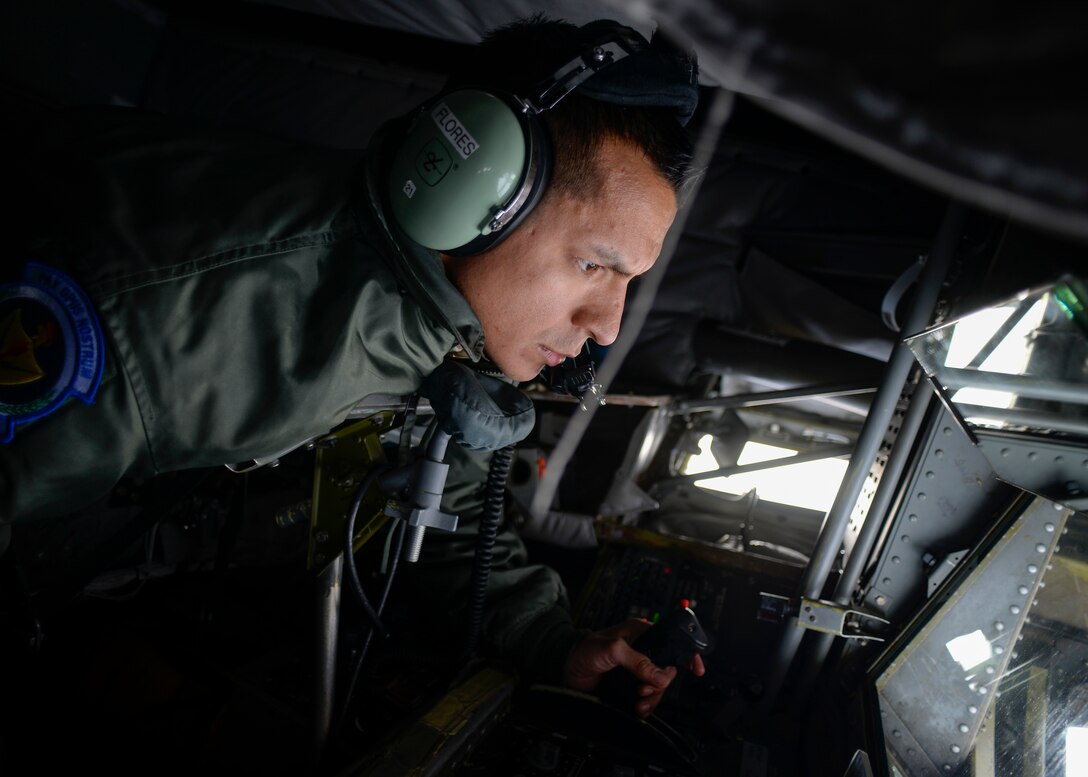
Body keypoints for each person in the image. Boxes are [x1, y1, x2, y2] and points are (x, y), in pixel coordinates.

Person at [0, 15, 703, 716]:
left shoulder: (439, 327)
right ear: (476, 190)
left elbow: (447, 503)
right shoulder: (152, 310)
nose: (608, 325)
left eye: (628, 283)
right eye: (592, 264)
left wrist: (551, 638)